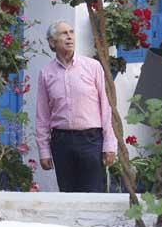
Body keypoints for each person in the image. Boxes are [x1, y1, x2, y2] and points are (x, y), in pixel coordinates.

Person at [35, 20, 117, 192]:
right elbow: (42, 115)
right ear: (52, 42)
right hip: (61, 142)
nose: (69, 37)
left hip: (91, 140)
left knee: (94, 194)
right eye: (64, 33)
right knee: (68, 195)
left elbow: (106, 107)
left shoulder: (93, 67)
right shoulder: (46, 73)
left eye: (71, 32)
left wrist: (110, 144)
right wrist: (44, 150)